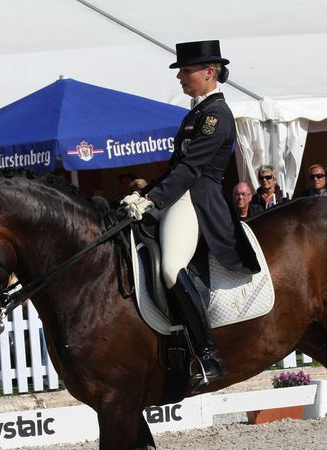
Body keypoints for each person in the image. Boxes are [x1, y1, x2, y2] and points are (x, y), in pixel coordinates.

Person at [119, 40, 260, 390]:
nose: (181, 77)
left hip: (195, 200)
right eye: (181, 71)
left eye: (186, 71)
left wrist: (153, 200)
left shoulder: (216, 116)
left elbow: (192, 169)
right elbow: (174, 168)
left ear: (209, 73)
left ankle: (207, 353)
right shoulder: (196, 114)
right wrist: (143, 194)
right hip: (177, 195)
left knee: (170, 269)